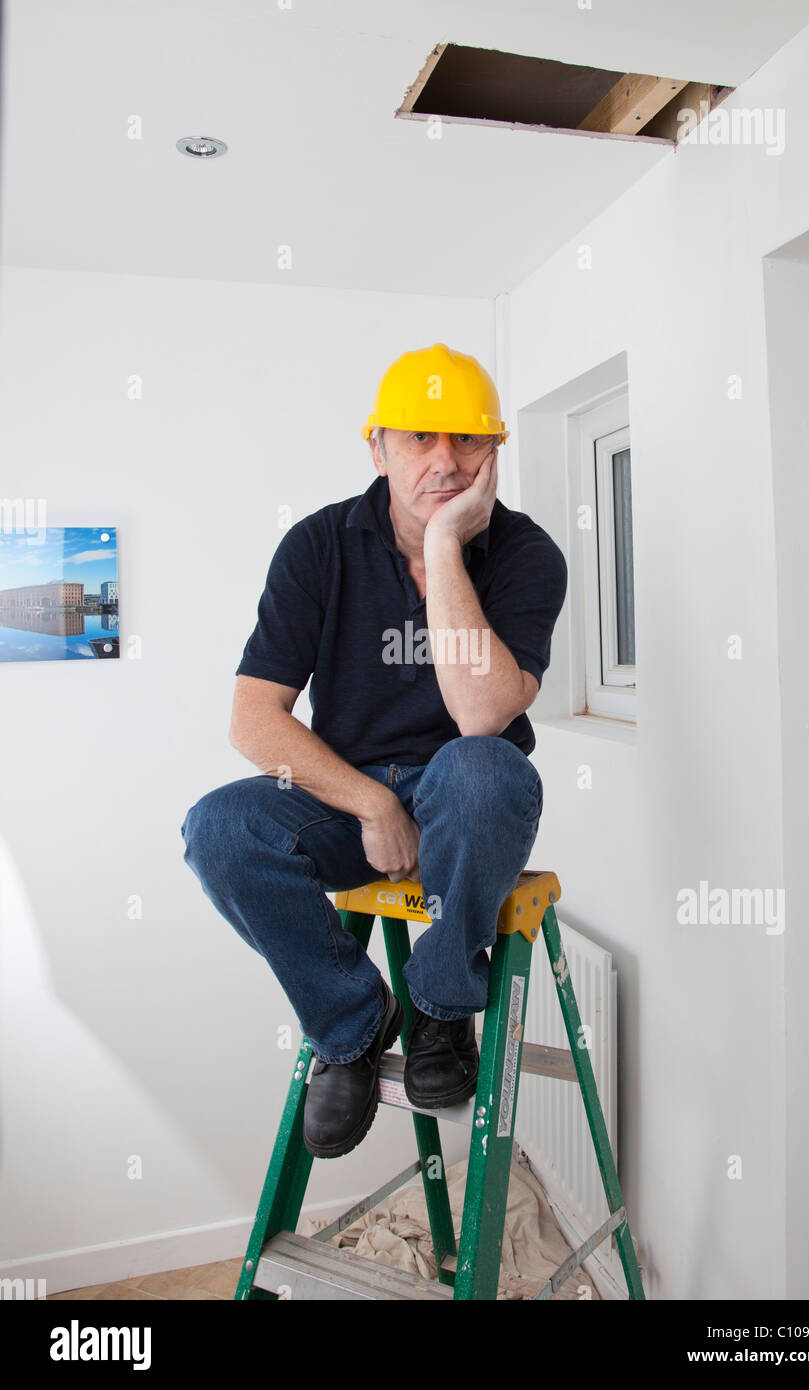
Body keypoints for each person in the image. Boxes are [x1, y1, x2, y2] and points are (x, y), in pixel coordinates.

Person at [181, 343, 567, 1160]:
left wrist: (443, 548)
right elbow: (254, 720)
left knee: (482, 770)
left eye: (467, 441)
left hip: (467, 805)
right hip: (347, 800)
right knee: (218, 828)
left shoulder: (529, 556)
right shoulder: (317, 546)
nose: (445, 462)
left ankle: (438, 1002)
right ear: (377, 448)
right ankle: (351, 1022)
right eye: (419, 439)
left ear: (496, 452)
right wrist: (369, 801)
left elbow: (483, 713)